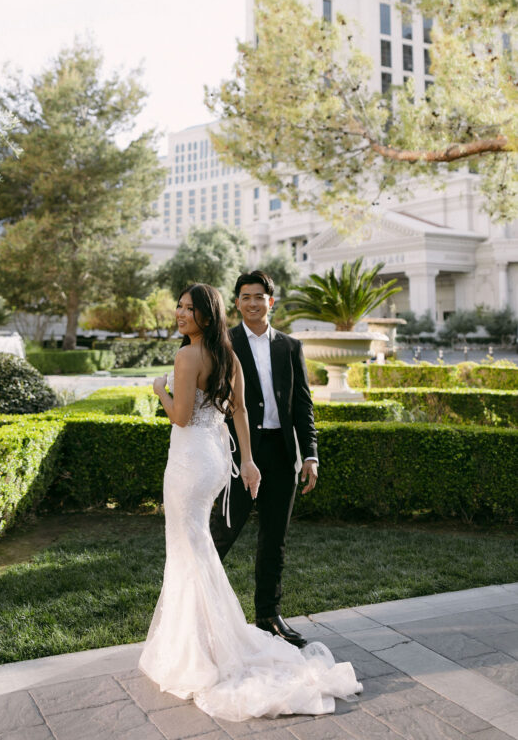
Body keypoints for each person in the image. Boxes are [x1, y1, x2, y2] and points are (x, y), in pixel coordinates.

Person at [139, 282, 361, 721]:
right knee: (197, 547)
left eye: (187, 309)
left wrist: (158, 390)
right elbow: (239, 411)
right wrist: (250, 462)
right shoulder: (229, 354)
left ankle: (202, 644)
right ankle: (208, 636)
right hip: (215, 460)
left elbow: (180, 416)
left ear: (205, 315)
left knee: (190, 549)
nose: (179, 314)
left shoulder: (186, 356)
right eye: (179, 307)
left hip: (188, 464)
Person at [211, 269, 318, 650]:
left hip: (281, 455)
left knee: (275, 540)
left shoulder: (290, 347)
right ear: (236, 302)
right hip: (239, 457)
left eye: (260, 296)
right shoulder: (223, 344)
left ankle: (268, 617)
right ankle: (199, 617)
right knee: (220, 535)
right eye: (245, 296)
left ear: (271, 301)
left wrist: (310, 454)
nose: (253, 303)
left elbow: (303, 405)